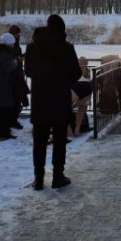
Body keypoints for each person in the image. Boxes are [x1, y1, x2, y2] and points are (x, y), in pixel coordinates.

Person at [25, 14, 82, 190]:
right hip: (60, 100)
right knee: (59, 141)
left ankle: (39, 178)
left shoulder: (32, 47)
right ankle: (58, 176)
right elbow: (77, 73)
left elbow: (28, 71)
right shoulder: (66, 48)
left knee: (39, 141)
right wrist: (64, 81)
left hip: (40, 100)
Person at [0, 33, 26, 140]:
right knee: (5, 110)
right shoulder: (4, 54)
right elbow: (10, 67)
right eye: (12, 44)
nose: (13, 46)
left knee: (1, 111)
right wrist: (17, 61)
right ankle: (2, 133)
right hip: (3, 87)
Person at [71, 57, 93, 136]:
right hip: (77, 90)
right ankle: (73, 130)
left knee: (83, 106)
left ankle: (76, 130)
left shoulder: (86, 71)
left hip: (82, 91)